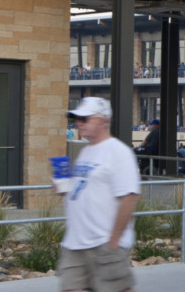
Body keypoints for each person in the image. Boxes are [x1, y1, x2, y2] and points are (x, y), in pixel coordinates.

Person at [58, 97, 140, 292]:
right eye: (76, 119)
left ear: (103, 121)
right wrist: (63, 187)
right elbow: (84, 189)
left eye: (84, 119)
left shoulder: (118, 152)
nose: (78, 123)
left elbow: (129, 197)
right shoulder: (86, 151)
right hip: (75, 242)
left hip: (103, 242)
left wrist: (114, 241)